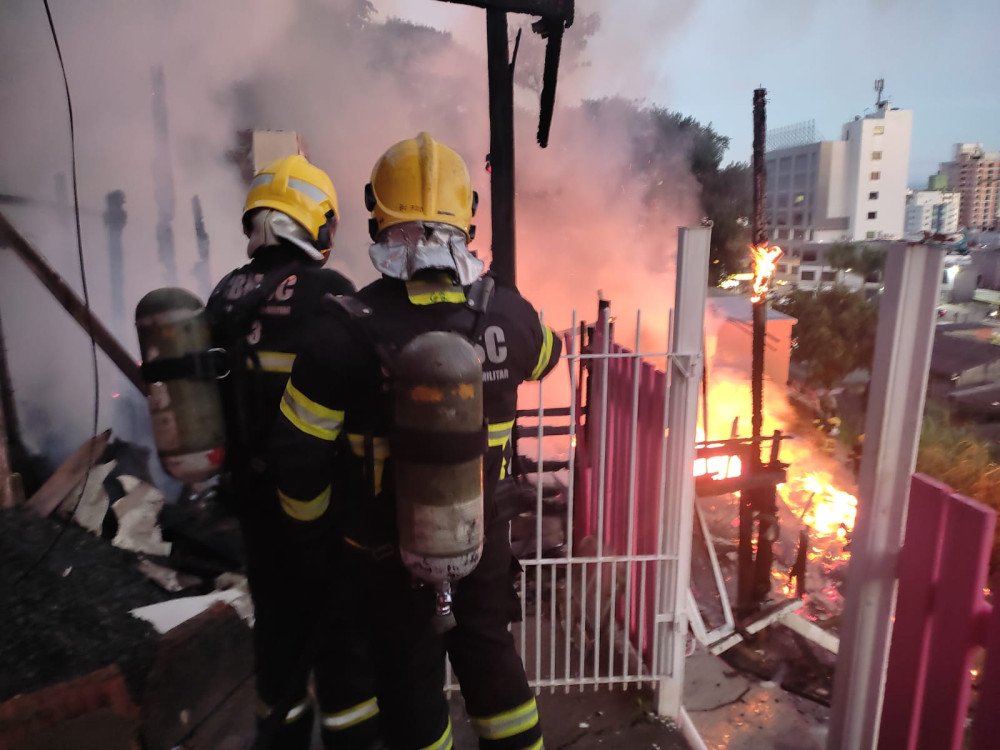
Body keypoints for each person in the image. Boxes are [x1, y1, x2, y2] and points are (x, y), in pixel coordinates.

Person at [270, 132, 561, 750]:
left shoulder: (343, 328)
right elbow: (550, 356)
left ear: (377, 213)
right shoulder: (510, 315)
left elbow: (297, 457)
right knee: (493, 665)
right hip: (482, 546)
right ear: (468, 216)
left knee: (410, 687)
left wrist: (313, 537)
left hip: (382, 554)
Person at [206, 154, 381, 750]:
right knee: (342, 651)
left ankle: (277, 736)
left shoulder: (225, 294)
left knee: (277, 641)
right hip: (318, 509)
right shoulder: (326, 292)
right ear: (318, 225)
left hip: (251, 506)